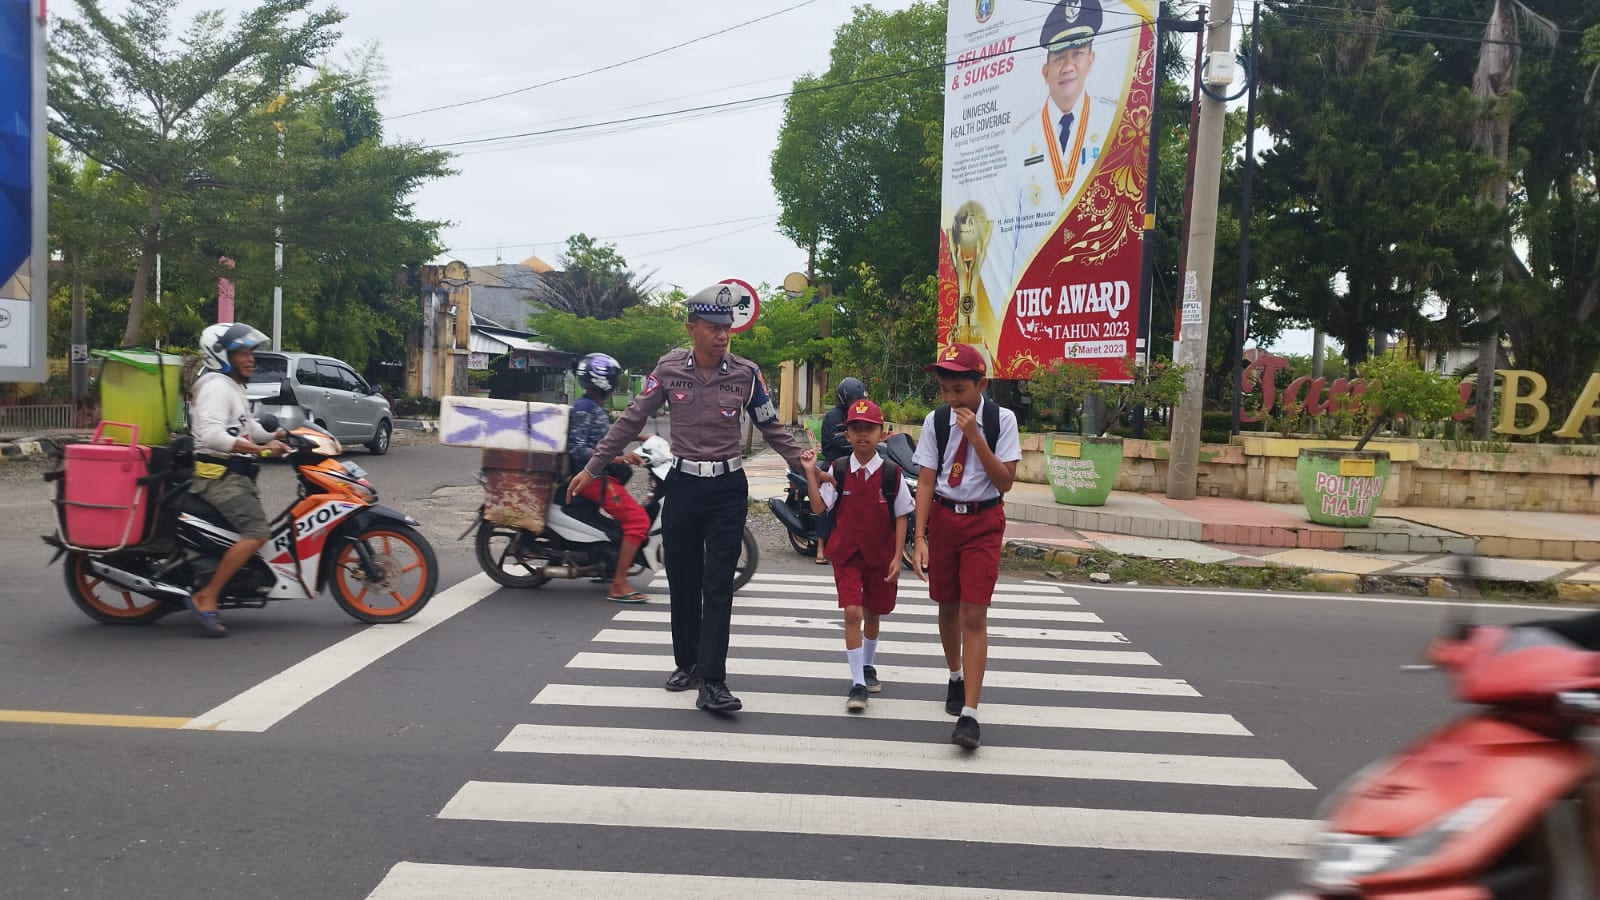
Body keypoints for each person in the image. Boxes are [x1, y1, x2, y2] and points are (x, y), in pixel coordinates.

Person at [568, 283, 806, 714]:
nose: (721, 335)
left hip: (728, 488)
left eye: (726, 327)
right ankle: (688, 663)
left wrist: (807, 465)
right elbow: (631, 419)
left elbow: (773, 429)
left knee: (718, 584)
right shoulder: (669, 369)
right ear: (692, 327)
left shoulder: (747, 374)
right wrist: (592, 467)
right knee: (682, 578)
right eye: (712, 327)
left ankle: (713, 681)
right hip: (684, 483)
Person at [910, 344, 1021, 750]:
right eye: (944, 389)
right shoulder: (936, 422)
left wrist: (975, 436)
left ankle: (970, 714)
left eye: (959, 389)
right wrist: (919, 538)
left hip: (984, 521)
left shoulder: (1000, 420)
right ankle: (955, 675)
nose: (951, 398)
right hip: (944, 519)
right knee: (947, 604)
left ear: (981, 384)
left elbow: (1005, 481)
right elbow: (925, 480)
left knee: (975, 612)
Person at [801, 398, 913, 713]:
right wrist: (811, 473)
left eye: (869, 428)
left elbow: (903, 514)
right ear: (846, 435)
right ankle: (857, 684)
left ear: (882, 433)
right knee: (853, 612)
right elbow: (819, 507)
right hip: (847, 553)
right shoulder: (838, 469)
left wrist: (897, 555)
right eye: (856, 429)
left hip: (879, 554)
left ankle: (868, 664)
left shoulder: (892, 474)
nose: (862, 435)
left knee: (874, 613)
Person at [187, 322, 289, 637]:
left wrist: (288, 434)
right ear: (220, 355)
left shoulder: (230, 386)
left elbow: (248, 428)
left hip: (233, 474)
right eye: (241, 352)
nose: (250, 358)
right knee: (257, 533)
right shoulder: (216, 387)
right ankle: (207, 597)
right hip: (218, 476)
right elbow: (213, 436)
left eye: (250, 352)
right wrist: (259, 449)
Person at [565, 352, 651, 604]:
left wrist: (638, 437)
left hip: (599, 476)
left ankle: (607, 564)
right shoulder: (583, 408)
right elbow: (578, 449)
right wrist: (620, 459)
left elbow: (605, 438)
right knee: (638, 521)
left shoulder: (592, 406)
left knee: (623, 521)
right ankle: (618, 584)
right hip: (591, 479)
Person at [813, 376, 866, 565]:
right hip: (834, 464)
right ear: (844, 398)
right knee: (828, 503)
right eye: (854, 399)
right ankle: (820, 546)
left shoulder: (859, 415)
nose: (857, 403)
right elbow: (835, 443)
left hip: (855, 463)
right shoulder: (833, 417)